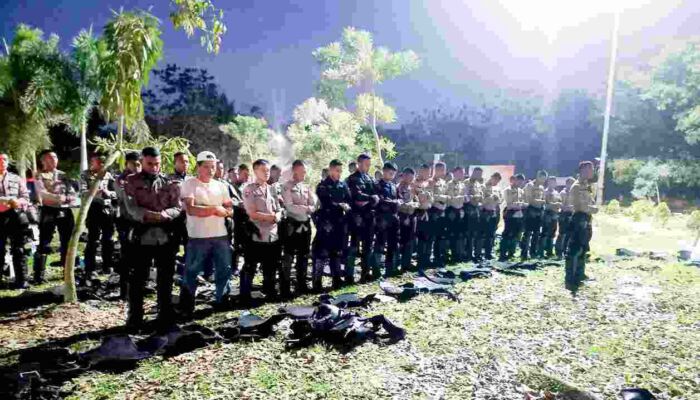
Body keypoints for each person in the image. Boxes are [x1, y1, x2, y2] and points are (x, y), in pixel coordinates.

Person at [123, 147, 182, 329]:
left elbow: (177, 207)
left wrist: (166, 214)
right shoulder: (131, 182)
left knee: (165, 278)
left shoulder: (169, 182)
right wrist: (153, 215)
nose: (154, 167)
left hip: (165, 236)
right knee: (138, 280)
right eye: (150, 164)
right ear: (142, 162)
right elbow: (132, 208)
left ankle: (164, 314)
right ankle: (135, 316)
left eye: (157, 164)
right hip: (142, 236)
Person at [178, 151, 234, 316]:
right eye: (207, 167)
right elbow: (191, 209)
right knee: (192, 271)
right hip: (198, 237)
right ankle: (187, 306)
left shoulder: (221, 186)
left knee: (224, 269)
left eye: (213, 167)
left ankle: (222, 301)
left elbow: (230, 209)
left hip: (220, 235)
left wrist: (224, 211)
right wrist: (215, 209)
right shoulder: (190, 184)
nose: (211, 170)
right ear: (198, 167)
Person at [241, 159, 283, 301]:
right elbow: (252, 213)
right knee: (251, 265)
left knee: (270, 264)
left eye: (268, 170)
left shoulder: (271, 188)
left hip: (272, 233)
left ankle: (269, 291)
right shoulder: (249, 189)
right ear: (255, 171)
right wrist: (271, 217)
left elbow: (278, 208)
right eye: (263, 170)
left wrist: (277, 216)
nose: (267, 173)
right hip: (256, 233)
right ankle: (245, 294)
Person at [34, 150, 79, 283]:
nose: (54, 160)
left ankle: (67, 272)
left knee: (68, 241)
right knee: (44, 242)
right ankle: (39, 275)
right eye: (50, 158)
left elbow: (73, 191)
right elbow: (41, 192)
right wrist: (57, 198)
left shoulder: (64, 175)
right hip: (49, 210)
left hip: (65, 211)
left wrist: (69, 198)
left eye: (55, 158)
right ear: (43, 161)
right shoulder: (39, 175)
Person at [313, 159, 352, 290]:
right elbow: (326, 201)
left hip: (339, 223)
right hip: (326, 223)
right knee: (321, 253)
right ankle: (317, 282)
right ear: (330, 170)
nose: (339, 173)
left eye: (341, 171)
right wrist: (339, 205)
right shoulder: (322, 185)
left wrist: (346, 205)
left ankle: (336, 280)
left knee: (337, 251)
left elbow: (349, 198)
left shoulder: (343, 185)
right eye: (337, 170)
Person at [282, 160, 317, 295]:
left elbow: (314, 205)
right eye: (302, 171)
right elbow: (289, 206)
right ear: (295, 171)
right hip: (292, 225)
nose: (305, 174)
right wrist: (306, 208)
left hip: (305, 225)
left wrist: (307, 208)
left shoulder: (306, 187)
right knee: (289, 256)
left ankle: (301, 284)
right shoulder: (287, 187)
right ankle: (285, 286)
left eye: (305, 171)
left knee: (303, 255)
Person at [80, 153, 117, 280]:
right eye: (98, 162)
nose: (101, 164)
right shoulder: (86, 175)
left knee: (108, 239)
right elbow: (83, 192)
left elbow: (116, 192)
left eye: (103, 162)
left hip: (107, 210)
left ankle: (107, 266)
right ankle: (90, 268)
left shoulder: (108, 175)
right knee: (93, 239)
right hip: (93, 209)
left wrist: (108, 193)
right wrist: (96, 192)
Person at [0, 153, 33, 288]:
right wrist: (6, 200)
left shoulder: (16, 178)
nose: (2, 162)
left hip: (15, 217)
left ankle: (22, 280)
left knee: (19, 249)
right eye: (0, 160)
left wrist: (18, 201)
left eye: (5, 159)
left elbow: (26, 197)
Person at [346, 153, 379, 283]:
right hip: (357, 217)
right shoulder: (352, 179)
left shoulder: (369, 179)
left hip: (369, 217)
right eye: (366, 164)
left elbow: (376, 194)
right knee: (354, 247)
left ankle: (365, 274)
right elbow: (357, 195)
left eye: (369, 165)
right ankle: (349, 275)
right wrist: (370, 198)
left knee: (368, 247)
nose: (368, 167)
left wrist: (371, 198)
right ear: (359, 163)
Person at [566, 161, 598, 286]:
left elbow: (591, 201)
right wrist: (592, 209)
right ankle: (571, 277)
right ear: (582, 171)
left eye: (592, 169)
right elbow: (578, 206)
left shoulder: (587, 186)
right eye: (589, 169)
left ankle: (580, 274)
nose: (592, 172)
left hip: (587, 218)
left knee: (583, 248)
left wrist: (592, 208)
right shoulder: (577, 186)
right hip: (579, 219)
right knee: (575, 249)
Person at [115, 151, 141, 299]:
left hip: (139, 222)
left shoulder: (141, 178)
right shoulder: (121, 180)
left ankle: (136, 289)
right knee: (126, 257)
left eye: (139, 164)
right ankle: (124, 292)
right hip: (126, 222)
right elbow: (128, 197)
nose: (137, 167)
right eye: (134, 164)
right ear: (127, 164)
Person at [373, 162, 401, 278]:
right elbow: (380, 201)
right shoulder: (377, 185)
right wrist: (395, 203)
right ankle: (376, 270)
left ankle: (390, 269)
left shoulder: (394, 186)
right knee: (379, 244)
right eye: (390, 172)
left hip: (393, 219)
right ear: (384, 171)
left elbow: (398, 199)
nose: (392, 175)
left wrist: (397, 202)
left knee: (392, 244)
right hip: (382, 219)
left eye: (394, 173)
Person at [169, 152, 190, 275]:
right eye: (182, 161)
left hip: (189, 218)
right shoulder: (168, 179)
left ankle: (187, 272)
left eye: (187, 161)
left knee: (189, 246)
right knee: (173, 247)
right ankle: (170, 272)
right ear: (175, 163)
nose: (185, 164)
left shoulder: (192, 180)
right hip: (174, 218)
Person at [520, 170, 547, 260]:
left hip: (539, 211)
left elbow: (543, 199)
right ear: (537, 176)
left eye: (544, 179)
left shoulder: (542, 187)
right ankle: (524, 253)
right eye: (541, 178)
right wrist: (541, 201)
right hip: (530, 210)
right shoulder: (530, 185)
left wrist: (541, 202)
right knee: (527, 233)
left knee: (536, 233)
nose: (542, 181)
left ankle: (533, 252)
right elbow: (529, 199)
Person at [427, 162, 449, 268]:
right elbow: (431, 196)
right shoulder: (431, 182)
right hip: (433, 211)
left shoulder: (444, 182)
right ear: (435, 169)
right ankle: (427, 259)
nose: (441, 171)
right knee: (430, 237)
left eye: (443, 169)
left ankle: (438, 258)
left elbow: (447, 196)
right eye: (439, 169)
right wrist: (441, 198)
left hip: (442, 211)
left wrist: (442, 198)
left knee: (440, 237)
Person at [499, 174, 526, 261]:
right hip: (510, 214)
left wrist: (520, 205)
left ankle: (511, 253)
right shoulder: (508, 190)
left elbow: (524, 203)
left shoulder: (521, 191)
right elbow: (509, 204)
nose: (520, 182)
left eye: (522, 181)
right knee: (507, 234)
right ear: (514, 180)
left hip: (519, 215)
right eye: (518, 180)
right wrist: (519, 205)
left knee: (516, 234)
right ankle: (503, 253)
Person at [397, 168, 419, 272]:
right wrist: (408, 206)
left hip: (412, 216)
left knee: (410, 241)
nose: (410, 179)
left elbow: (417, 201)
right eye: (408, 176)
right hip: (402, 216)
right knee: (401, 241)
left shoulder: (413, 188)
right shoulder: (398, 188)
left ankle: (407, 264)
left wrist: (414, 204)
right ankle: (398, 264)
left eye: (412, 177)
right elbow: (399, 203)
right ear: (403, 176)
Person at [413, 164, 433, 272]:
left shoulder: (430, 183)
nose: (426, 174)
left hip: (429, 212)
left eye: (428, 172)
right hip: (418, 213)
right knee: (420, 238)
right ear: (420, 171)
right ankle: (420, 261)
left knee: (428, 238)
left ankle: (426, 259)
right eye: (424, 171)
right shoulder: (414, 183)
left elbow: (432, 198)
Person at [479, 172, 502, 260]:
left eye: (498, 181)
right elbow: (481, 200)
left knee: (491, 234)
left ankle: (488, 253)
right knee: (482, 234)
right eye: (495, 179)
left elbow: (501, 200)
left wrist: (498, 199)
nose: (496, 182)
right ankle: (479, 252)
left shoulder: (498, 188)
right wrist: (490, 197)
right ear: (491, 177)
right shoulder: (484, 187)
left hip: (494, 212)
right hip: (484, 212)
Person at [445, 166, 466, 263]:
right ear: (455, 173)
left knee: (459, 234)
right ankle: (450, 255)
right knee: (451, 234)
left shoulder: (462, 185)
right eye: (460, 173)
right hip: (451, 211)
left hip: (460, 211)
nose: (462, 175)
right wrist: (461, 198)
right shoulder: (449, 184)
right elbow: (451, 198)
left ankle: (458, 254)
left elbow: (466, 199)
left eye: (463, 173)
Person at [464, 167, 484, 262]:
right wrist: (473, 199)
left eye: (480, 174)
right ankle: (468, 254)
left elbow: (481, 197)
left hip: (477, 210)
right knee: (469, 234)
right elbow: (466, 196)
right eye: (477, 173)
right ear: (473, 173)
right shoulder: (467, 182)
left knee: (477, 233)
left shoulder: (479, 184)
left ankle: (477, 254)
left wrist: (479, 201)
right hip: (468, 210)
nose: (478, 176)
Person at [540, 176, 562, 258]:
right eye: (550, 182)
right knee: (544, 233)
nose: (552, 184)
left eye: (553, 182)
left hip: (555, 215)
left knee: (552, 233)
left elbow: (560, 203)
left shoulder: (557, 193)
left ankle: (549, 252)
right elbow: (544, 204)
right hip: (547, 214)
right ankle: (541, 251)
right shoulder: (544, 192)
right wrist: (553, 205)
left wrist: (557, 206)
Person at [555, 177, 575, 259]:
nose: (570, 185)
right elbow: (559, 204)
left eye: (572, 184)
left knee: (569, 234)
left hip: (571, 215)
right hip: (563, 214)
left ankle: (565, 250)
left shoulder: (574, 194)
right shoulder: (562, 193)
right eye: (569, 183)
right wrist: (566, 207)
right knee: (562, 234)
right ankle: (559, 252)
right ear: (566, 184)